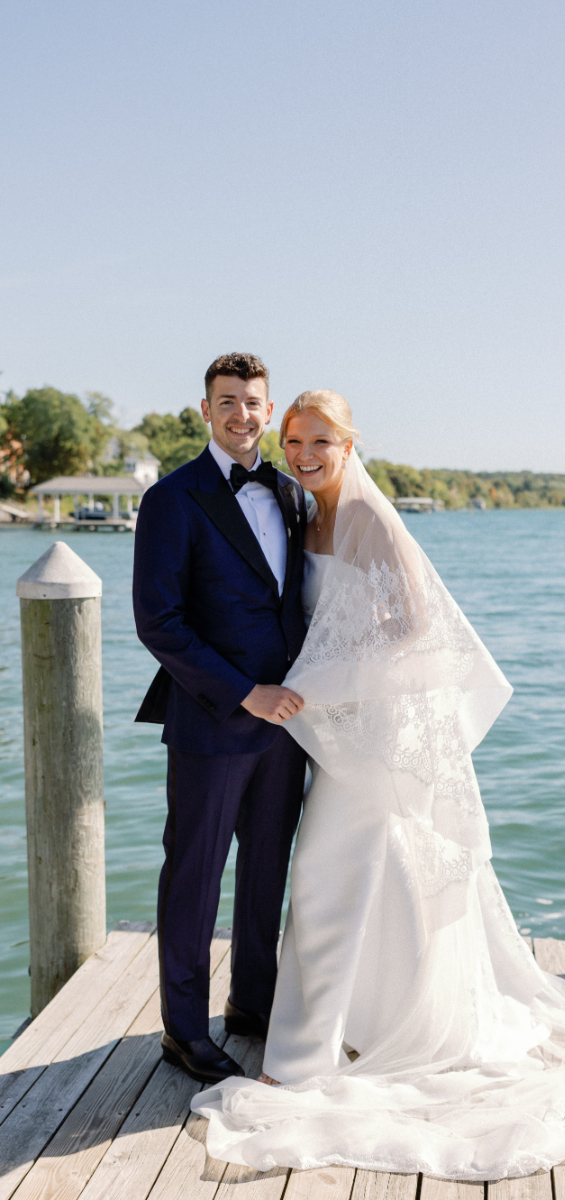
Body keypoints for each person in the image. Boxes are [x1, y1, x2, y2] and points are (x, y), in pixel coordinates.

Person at [192, 390, 565, 1180]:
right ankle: (374, 1018)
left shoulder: (372, 521)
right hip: (338, 736)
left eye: (320, 440)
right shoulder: (302, 513)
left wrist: (319, 686)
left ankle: (300, 1057)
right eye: (294, 441)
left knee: (322, 874)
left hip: (374, 735)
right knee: (371, 878)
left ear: (349, 445)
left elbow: (417, 629)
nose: (305, 454)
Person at [132, 353, 308, 1085]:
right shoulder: (174, 499)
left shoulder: (295, 497)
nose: (241, 413)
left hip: (289, 725)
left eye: (254, 402)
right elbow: (160, 623)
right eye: (227, 401)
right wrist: (245, 693)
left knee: (267, 874)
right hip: (213, 723)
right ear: (204, 410)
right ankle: (182, 1031)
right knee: (195, 879)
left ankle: (252, 1003)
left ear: (270, 414)